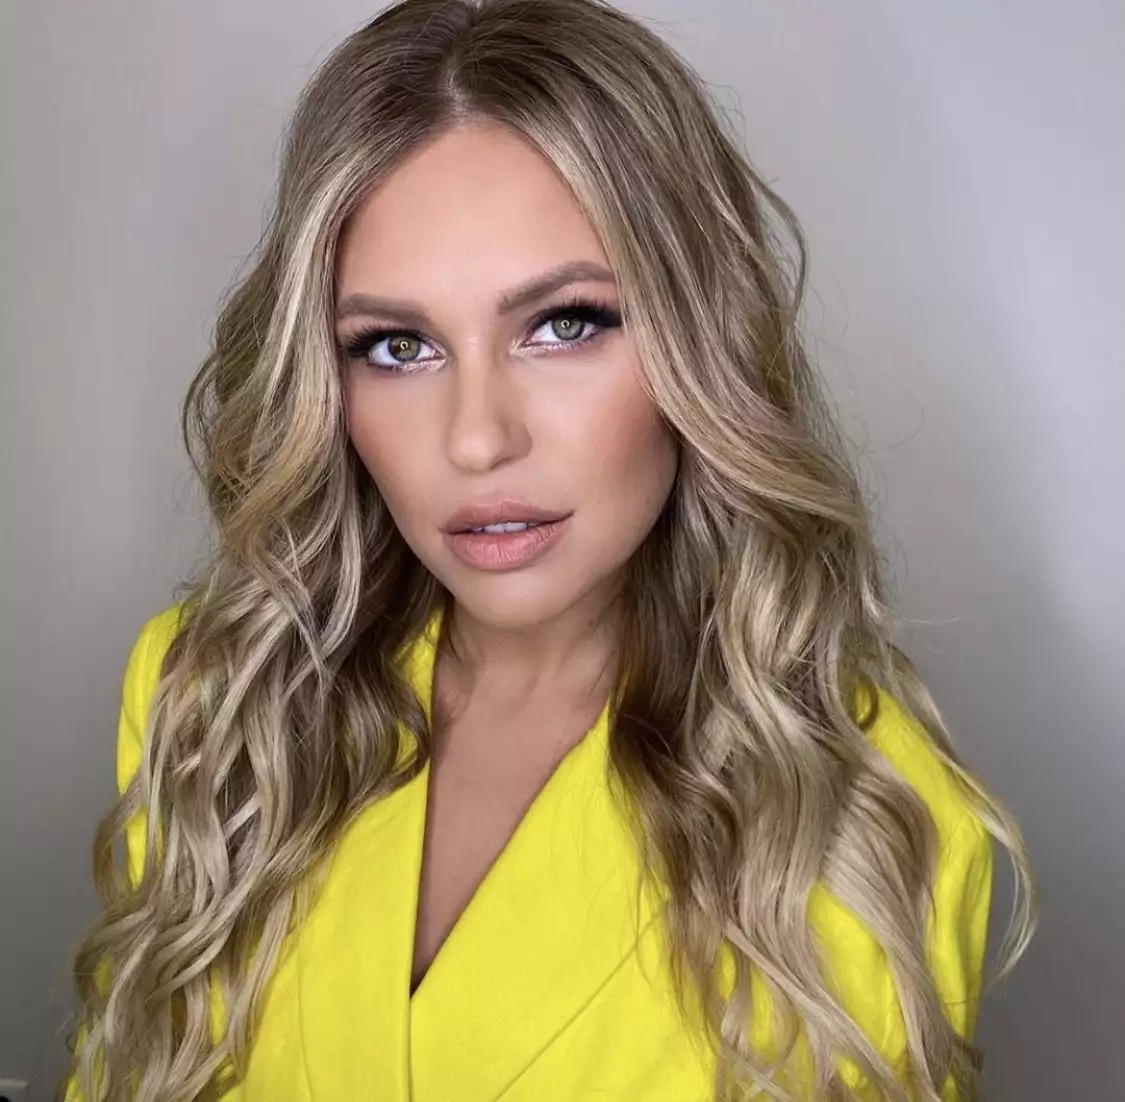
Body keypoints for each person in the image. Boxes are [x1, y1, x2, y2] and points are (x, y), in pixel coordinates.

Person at [65, 1, 1037, 1099]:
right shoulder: (216, 702)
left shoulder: (866, 816)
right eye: (397, 346)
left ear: (700, 340)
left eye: (565, 324)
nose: (479, 439)